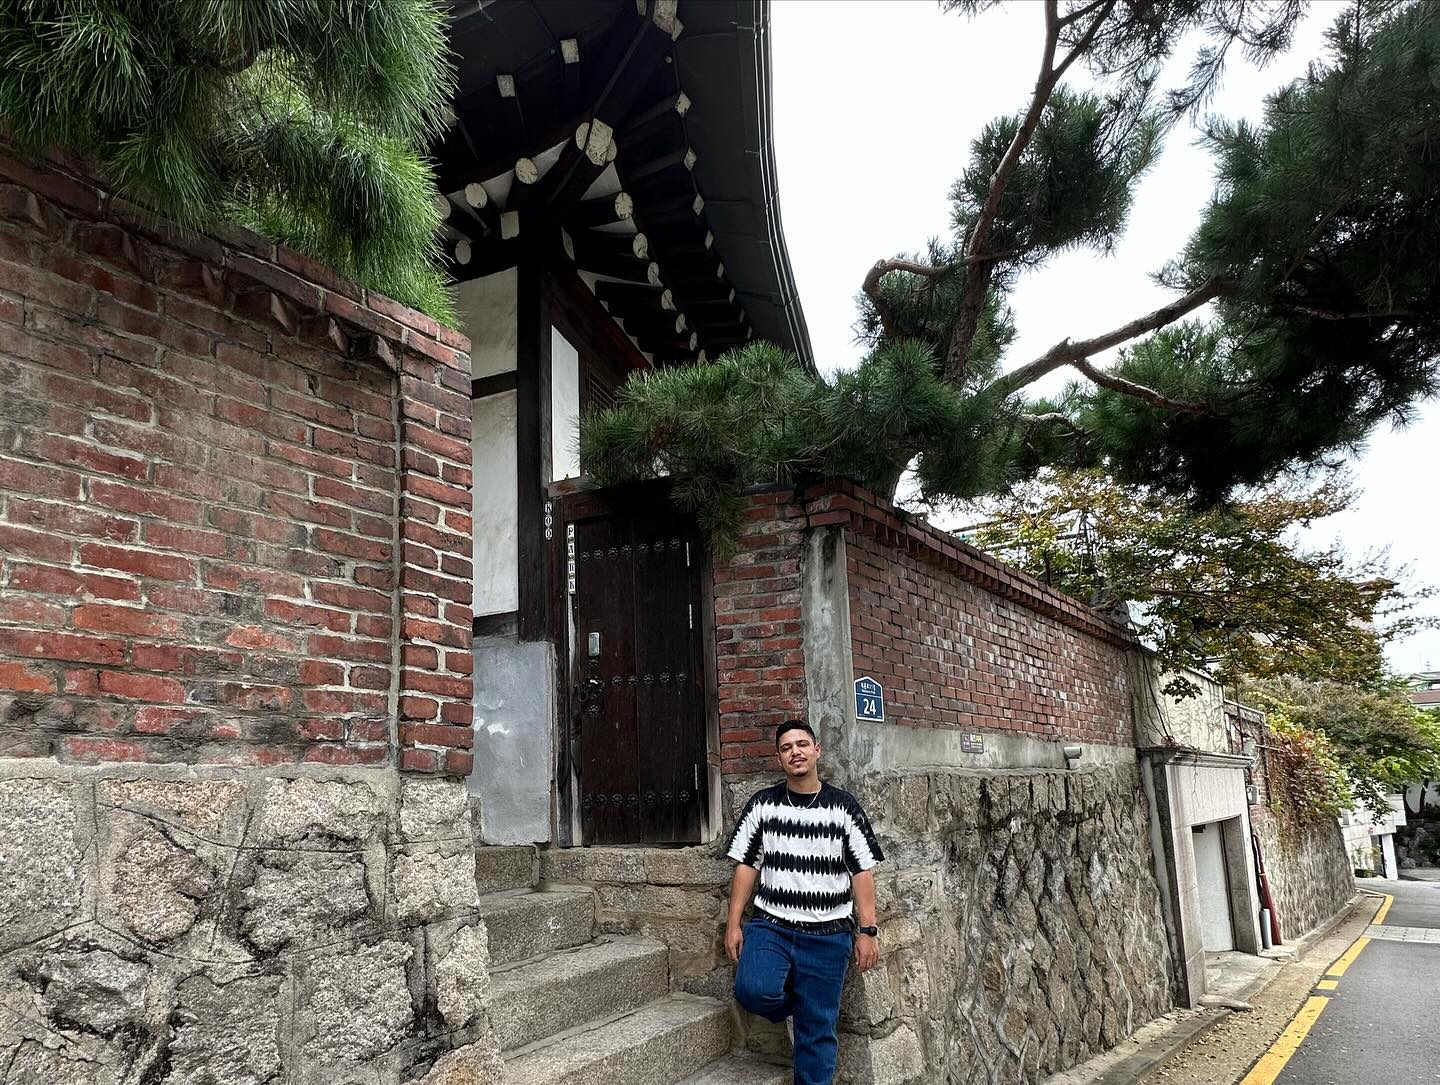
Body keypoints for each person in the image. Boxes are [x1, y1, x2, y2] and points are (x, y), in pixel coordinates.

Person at [724, 718, 885, 1085]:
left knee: (818, 1034)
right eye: (785, 748)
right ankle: (800, 1008)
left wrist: (868, 930)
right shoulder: (762, 805)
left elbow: (861, 872)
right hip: (771, 926)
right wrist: (734, 924)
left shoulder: (843, 807)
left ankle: (810, 1018)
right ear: (779, 759)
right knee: (752, 990)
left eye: (801, 744)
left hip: (828, 935)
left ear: (816, 751)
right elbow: (746, 866)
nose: (794, 751)